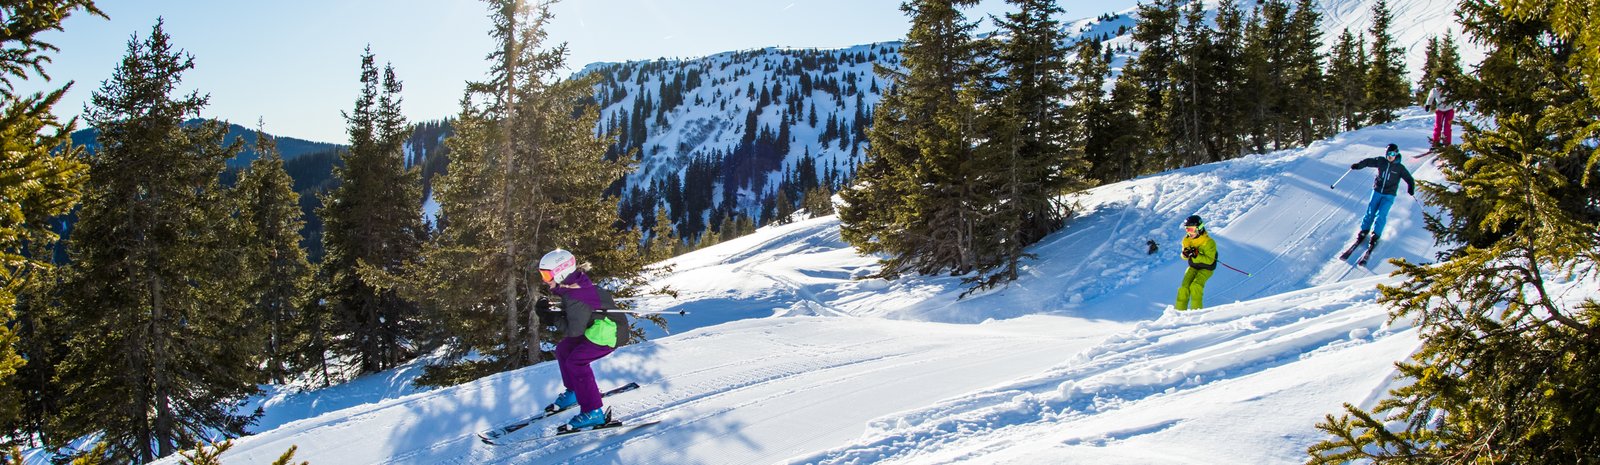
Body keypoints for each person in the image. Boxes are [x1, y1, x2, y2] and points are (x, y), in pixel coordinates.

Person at [536, 248, 631, 431]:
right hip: (597, 326)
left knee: (576, 362)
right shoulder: (574, 282)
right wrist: (555, 301)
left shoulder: (574, 296)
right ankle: (574, 392)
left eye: (547, 275)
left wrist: (550, 318)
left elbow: (574, 331)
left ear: (560, 272)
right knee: (564, 350)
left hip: (609, 332)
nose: (544, 279)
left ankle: (593, 412)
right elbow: (574, 302)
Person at [1348, 144, 1416, 250]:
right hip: (1377, 191)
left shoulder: (1399, 168)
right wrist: (1358, 165)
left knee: (1381, 214)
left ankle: (1375, 234)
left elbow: (1409, 179)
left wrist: (1411, 187)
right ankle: (1364, 230)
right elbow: (1367, 162)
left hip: (1389, 195)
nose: (1390, 156)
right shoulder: (1381, 162)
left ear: (1396, 154)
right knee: (1370, 211)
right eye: (1388, 153)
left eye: (1393, 154)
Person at [1175, 215, 1217, 311]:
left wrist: (1196, 255)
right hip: (1193, 266)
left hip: (1206, 268)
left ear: (1199, 228)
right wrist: (1185, 254)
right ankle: (1178, 313)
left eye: (1192, 229)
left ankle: (1196, 312)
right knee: (1184, 288)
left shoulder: (1209, 242)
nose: (1190, 232)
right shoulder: (1187, 240)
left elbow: (1210, 260)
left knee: (1195, 286)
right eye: (1187, 230)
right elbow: (1184, 256)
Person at [1424, 78, 1455, 147]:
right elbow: (1430, 97)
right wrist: (1428, 105)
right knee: (1438, 127)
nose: (1439, 89)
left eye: (1440, 87)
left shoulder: (1449, 90)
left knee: (1447, 127)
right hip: (1440, 110)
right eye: (1437, 87)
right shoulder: (1434, 91)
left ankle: (1447, 144)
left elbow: (1455, 96)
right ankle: (1436, 143)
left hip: (1449, 110)